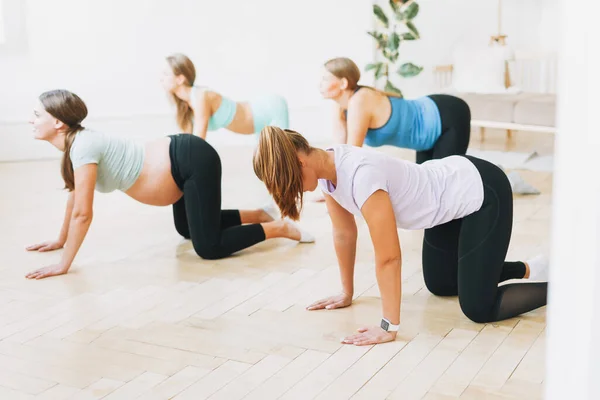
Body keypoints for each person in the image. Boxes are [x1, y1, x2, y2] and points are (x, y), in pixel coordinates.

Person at [253, 126, 549, 346]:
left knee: (478, 307)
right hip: (444, 203)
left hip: (480, 191)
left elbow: (389, 257)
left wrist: (388, 326)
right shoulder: (327, 173)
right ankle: (530, 268)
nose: (292, 191)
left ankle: (565, 289)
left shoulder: (361, 175)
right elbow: (344, 233)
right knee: (441, 283)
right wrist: (346, 292)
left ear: (299, 162)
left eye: (288, 182)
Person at [25, 90, 313, 280]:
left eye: (37, 115)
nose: (31, 120)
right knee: (187, 228)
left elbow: (83, 214)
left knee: (208, 247)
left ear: (59, 123)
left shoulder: (83, 146)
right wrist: (60, 241)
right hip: (180, 162)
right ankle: (259, 215)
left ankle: (279, 228)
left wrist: (63, 264)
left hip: (190, 162)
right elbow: (74, 198)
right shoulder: (77, 145)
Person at [319, 57, 470, 163]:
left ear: (343, 83)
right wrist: (329, 192)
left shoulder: (360, 101)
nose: (320, 84)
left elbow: (351, 155)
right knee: (429, 188)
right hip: (425, 135)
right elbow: (339, 153)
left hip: (447, 115)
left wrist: (335, 195)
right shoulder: (340, 107)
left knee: (445, 184)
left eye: (325, 79)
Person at [161, 53, 289, 140]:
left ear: (180, 79)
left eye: (166, 74)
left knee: (287, 158)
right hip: (256, 120)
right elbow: (186, 143)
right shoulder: (185, 105)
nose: (161, 79)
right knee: (269, 167)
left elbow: (198, 142)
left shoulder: (200, 97)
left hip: (267, 109)